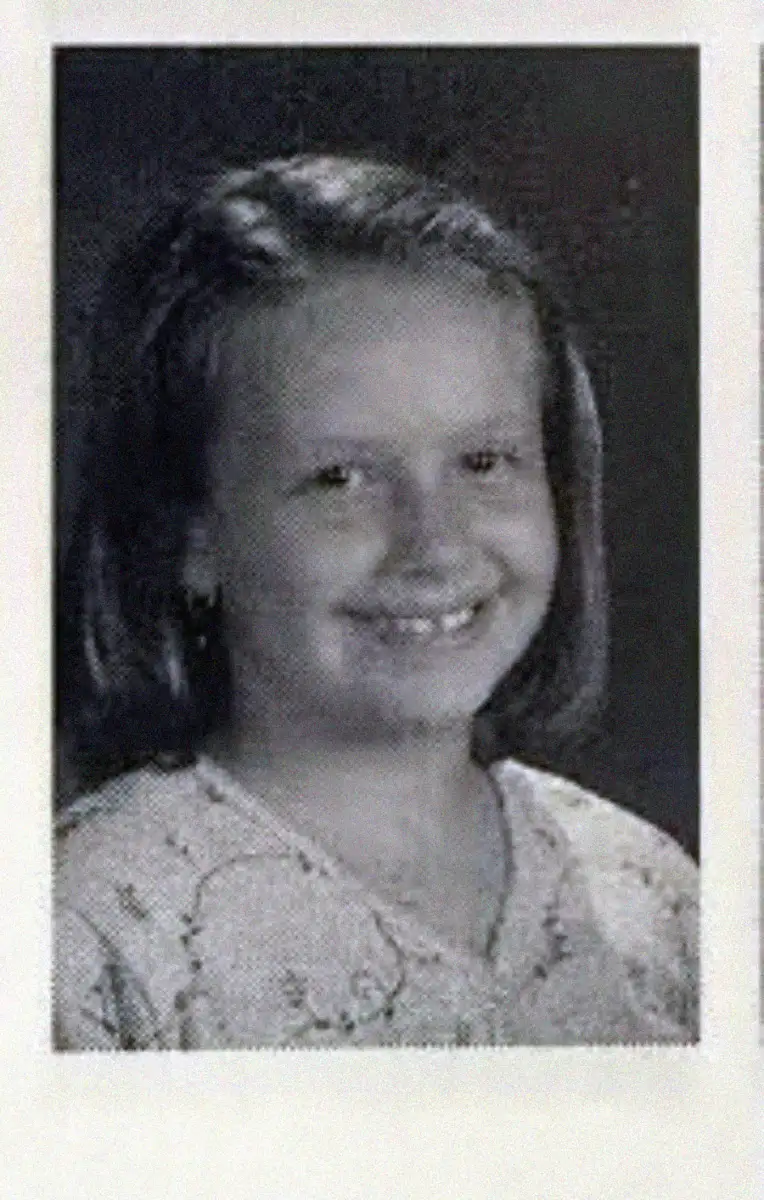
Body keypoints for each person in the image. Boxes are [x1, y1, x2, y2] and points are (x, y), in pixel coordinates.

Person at [54, 154, 698, 1050]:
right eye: (340, 478)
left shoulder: (652, 895)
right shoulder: (92, 933)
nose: (435, 546)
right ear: (191, 538)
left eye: (484, 462)